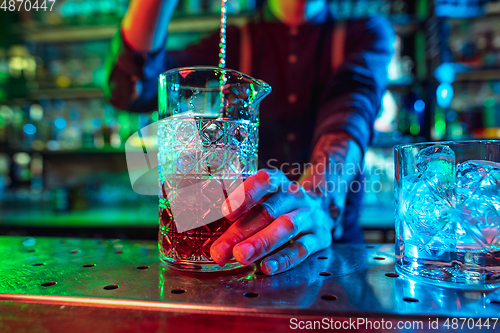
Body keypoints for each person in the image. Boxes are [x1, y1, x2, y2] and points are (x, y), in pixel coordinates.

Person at [105, 0, 394, 275]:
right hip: (236, 251)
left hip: (332, 250)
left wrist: (316, 200)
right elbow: (134, 87)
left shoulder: (363, 32)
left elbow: (350, 112)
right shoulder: (232, 40)